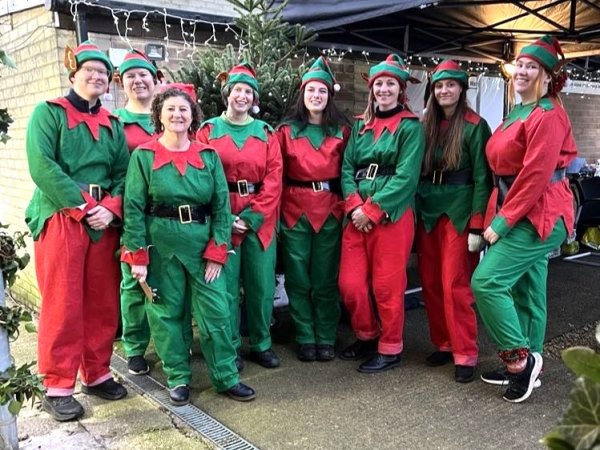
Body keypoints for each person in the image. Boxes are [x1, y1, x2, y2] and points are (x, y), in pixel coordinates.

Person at [121, 87, 256, 405]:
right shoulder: (144, 157)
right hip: (161, 249)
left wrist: (218, 251)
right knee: (166, 315)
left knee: (217, 313)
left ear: (193, 116)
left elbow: (221, 207)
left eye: (183, 109)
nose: (177, 115)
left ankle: (226, 376)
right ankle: (178, 378)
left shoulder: (208, 157)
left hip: (201, 249)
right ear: (159, 114)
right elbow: (133, 208)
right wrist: (137, 256)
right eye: (170, 109)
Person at [25, 41, 129, 421]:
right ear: (74, 74)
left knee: (102, 301)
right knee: (63, 302)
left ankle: (97, 373)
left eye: (103, 72)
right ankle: (57, 385)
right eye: (90, 70)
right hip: (62, 215)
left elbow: (124, 173)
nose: (97, 76)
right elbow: (42, 165)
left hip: (103, 221)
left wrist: (111, 208)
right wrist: (84, 207)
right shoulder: (48, 113)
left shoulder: (113, 124)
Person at [471, 35, 577, 403]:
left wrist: (500, 223)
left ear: (548, 77)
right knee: (527, 289)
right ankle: (533, 363)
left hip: (542, 213)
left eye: (532, 67)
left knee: (487, 281)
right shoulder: (517, 113)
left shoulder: (548, 115)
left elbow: (535, 176)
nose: (523, 71)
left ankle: (519, 361)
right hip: (520, 208)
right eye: (520, 65)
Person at [338, 54, 425, 373]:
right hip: (356, 215)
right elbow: (347, 167)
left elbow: (407, 177)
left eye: (390, 84)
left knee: (387, 286)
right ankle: (366, 335)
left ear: (400, 89)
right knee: (350, 285)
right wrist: (354, 206)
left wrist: (372, 210)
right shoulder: (359, 126)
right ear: (372, 89)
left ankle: (390, 347)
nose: (384, 89)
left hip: (392, 216)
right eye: (379, 84)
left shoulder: (410, 127)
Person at [197, 63, 283, 370]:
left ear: (254, 98)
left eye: (248, 91)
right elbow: (201, 176)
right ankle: (230, 346)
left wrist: (251, 218)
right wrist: (226, 217)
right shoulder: (208, 131)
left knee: (261, 285)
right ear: (227, 94)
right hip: (223, 216)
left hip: (260, 219)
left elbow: (274, 178)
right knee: (227, 287)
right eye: (237, 90)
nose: (242, 96)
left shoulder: (266, 133)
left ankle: (261, 343)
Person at [416, 60, 492, 383]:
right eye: (439, 85)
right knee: (431, 282)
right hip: (428, 209)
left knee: (455, 283)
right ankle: (444, 343)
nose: (444, 90)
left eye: (450, 85)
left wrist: (477, 224)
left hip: (460, 212)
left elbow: (483, 178)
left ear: (462, 88)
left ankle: (465, 352)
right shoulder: (425, 125)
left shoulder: (476, 126)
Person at [277, 56, 350, 362]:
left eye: (322, 91)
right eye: (311, 90)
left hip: (330, 211)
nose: (316, 96)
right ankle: (305, 335)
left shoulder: (342, 131)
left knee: (325, 278)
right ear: (302, 94)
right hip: (294, 211)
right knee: (297, 278)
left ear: (329, 95)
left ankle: (326, 336)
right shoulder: (285, 131)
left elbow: (348, 172)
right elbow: (276, 175)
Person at [114, 49, 158, 376]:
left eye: (144, 74)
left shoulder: (170, 116)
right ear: (121, 82)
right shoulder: (116, 124)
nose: (138, 80)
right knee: (133, 281)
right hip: (133, 212)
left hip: (169, 214)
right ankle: (135, 347)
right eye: (131, 75)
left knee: (169, 279)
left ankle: (174, 341)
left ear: (155, 79)